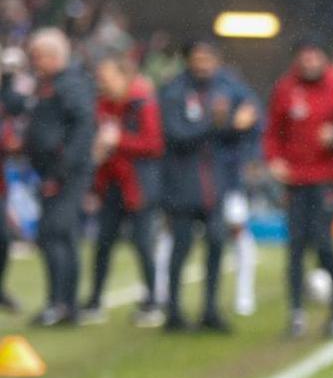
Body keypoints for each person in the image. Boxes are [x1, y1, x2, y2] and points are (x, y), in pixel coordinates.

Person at [158, 40, 257, 332]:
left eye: (208, 59)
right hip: (182, 182)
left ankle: (210, 309)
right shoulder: (174, 92)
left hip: (215, 182)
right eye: (198, 58)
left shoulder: (226, 88)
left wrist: (239, 126)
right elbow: (178, 135)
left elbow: (242, 124)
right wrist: (216, 125)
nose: (203, 64)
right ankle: (173, 310)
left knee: (216, 243)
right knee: (182, 245)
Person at [2, 29, 95, 327]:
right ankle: (66, 305)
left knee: (53, 234)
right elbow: (18, 107)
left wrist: (62, 168)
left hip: (65, 174)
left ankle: (60, 304)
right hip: (51, 171)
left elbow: (83, 128)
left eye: (38, 55)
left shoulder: (71, 84)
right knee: (62, 236)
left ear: (55, 56)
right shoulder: (45, 84)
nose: (34, 61)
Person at [263, 40, 333, 338]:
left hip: (328, 176)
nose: (310, 62)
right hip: (295, 178)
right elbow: (273, 131)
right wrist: (274, 159)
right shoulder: (285, 88)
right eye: (305, 57)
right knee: (296, 246)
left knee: (325, 244)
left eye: (315, 56)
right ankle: (296, 312)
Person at [83, 54, 165, 327]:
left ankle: (153, 301)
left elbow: (153, 144)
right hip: (111, 184)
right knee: (103, 242)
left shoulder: (143, 103)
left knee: (142, 242)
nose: (102, 82)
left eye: (106, 76)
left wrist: (119, 141)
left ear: (124, 76)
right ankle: (94, 300)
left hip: (138, 185)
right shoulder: (104, 104)